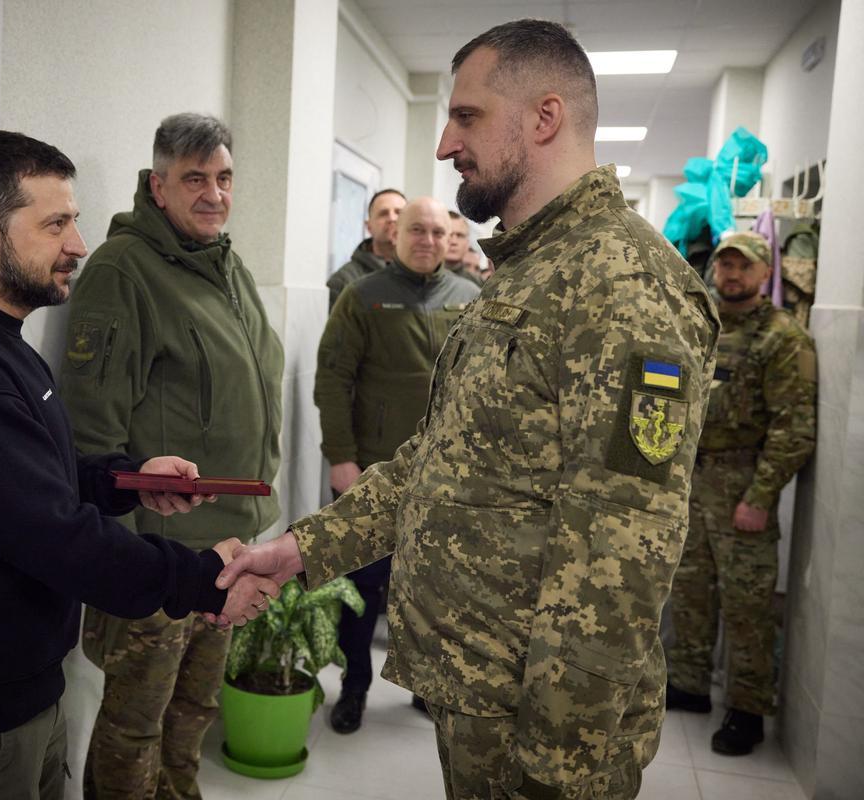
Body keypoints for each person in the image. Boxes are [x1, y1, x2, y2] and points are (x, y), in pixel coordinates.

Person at [215, 19, 720, 800]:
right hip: (481, 689)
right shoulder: (525, 269)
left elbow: (623, 548)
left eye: (467, 117)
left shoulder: (620, 282)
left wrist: (557, 762)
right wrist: (306, 550)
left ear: (543, 118)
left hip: (542, 724)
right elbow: (439, 456)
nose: (447, 143)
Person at [0, 130, 277, 800]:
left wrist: (129, 481)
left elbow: (36, 481)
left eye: (75, 221)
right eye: (55, 224)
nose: (78, 246)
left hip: (22, 686)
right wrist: (203, 579)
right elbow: (54, 536)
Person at [60, 113, 283, 799]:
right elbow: (92, 434)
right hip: (155, 559)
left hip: (224, 546)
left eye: (223, 178)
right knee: (135, 728)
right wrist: (120, 567)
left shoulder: (228, 267)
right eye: (194, 179)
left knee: (193, 714)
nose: (213, 193)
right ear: (158, 187)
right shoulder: (123, 272)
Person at [314, 196, 478, 734]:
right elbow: (333, 380)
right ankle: (354, 687)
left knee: (436, 591)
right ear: (396, 234)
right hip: (374, 474)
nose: (427, 240)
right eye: (417, 230)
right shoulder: (364, 296)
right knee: (363, 592)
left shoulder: (471, 297)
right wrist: (341, 457)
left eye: (436, 231)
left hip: (448, 478)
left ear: (449, 236)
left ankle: (425, 689)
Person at [666, 231, 816, 756]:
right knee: (689, 588)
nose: (731, 275)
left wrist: (760, 496)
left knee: (747, 603)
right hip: (692, 480)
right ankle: (688, 685)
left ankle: (748, 709)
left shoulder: (783, 337)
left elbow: (794, 428)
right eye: (725, 266)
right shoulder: (700, 324)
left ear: (764, 273)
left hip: (742, 487)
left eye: (742, 267)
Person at [326, 188, 407, 310]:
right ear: (369, 227)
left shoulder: (423, 274)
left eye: (399, 212)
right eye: (383, 213)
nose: (392, 218)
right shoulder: (344, 281)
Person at [443, 210, 486, 287]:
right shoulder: (420, 277)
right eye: (449, 234)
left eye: (460, 235)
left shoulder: (478, 286)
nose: (454, 241)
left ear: (467, 243)